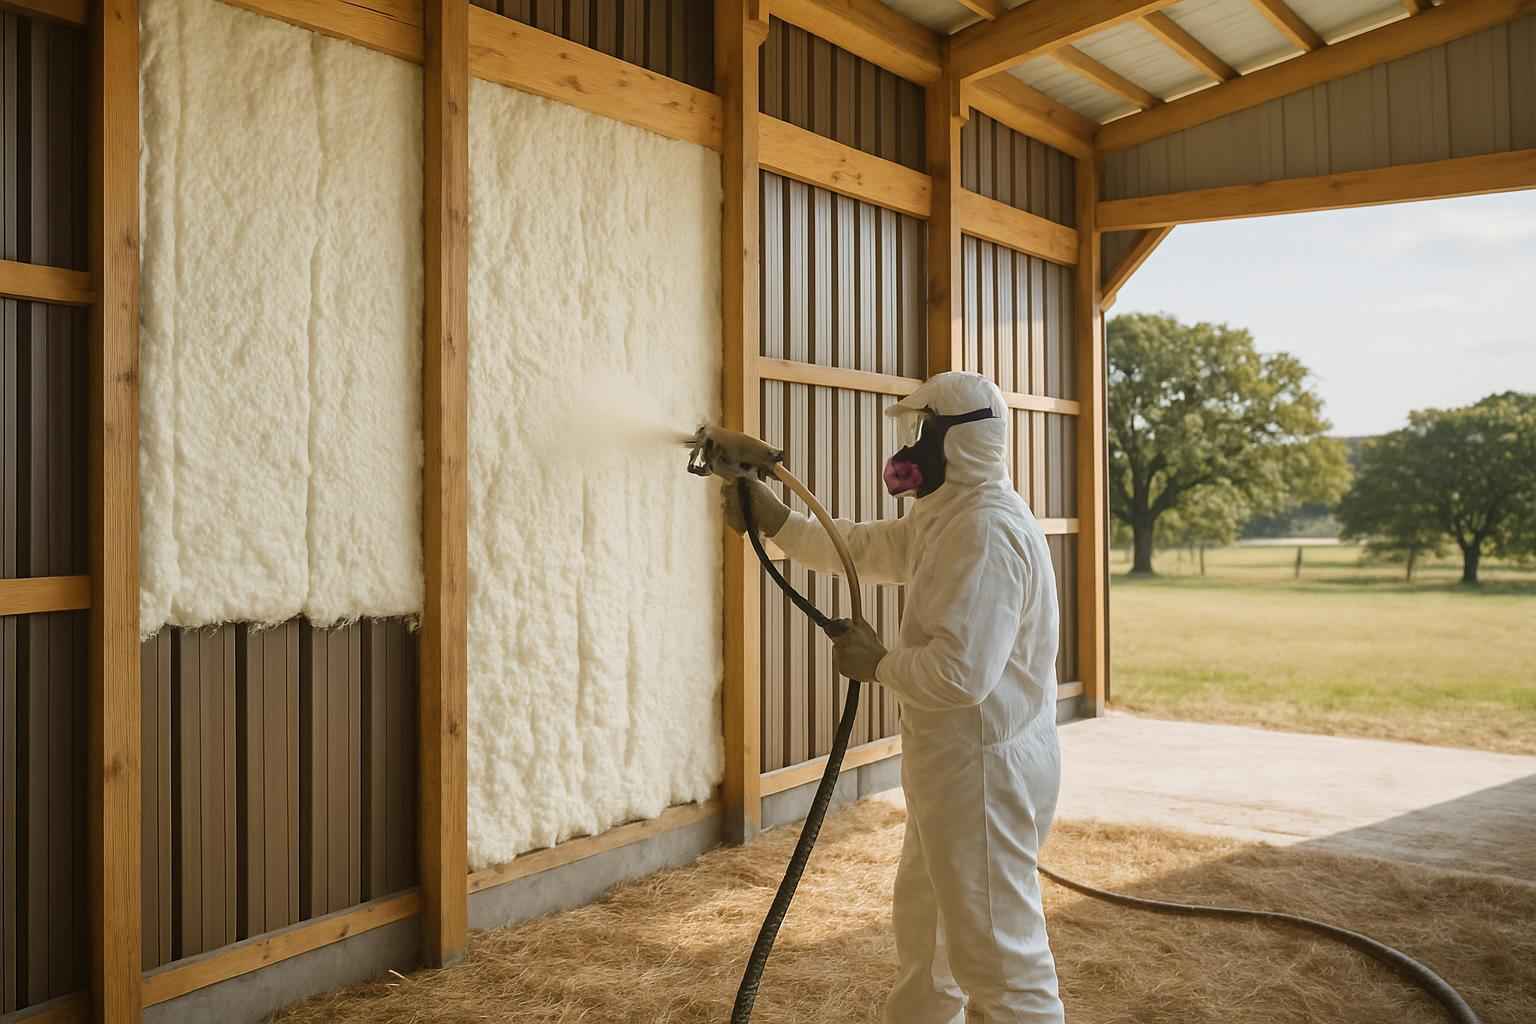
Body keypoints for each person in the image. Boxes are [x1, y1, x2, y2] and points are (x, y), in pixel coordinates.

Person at [722, 370, 1065, 1024]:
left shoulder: (985, 532)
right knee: (928, 943)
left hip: (985, 775)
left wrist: (878, 663)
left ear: (955, 442)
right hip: (957, 770)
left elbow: (962, 674)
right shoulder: (951, 516)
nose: (908, 448)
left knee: (1000, 964)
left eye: (921, 432)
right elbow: (866, 548)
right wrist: (778, 520)